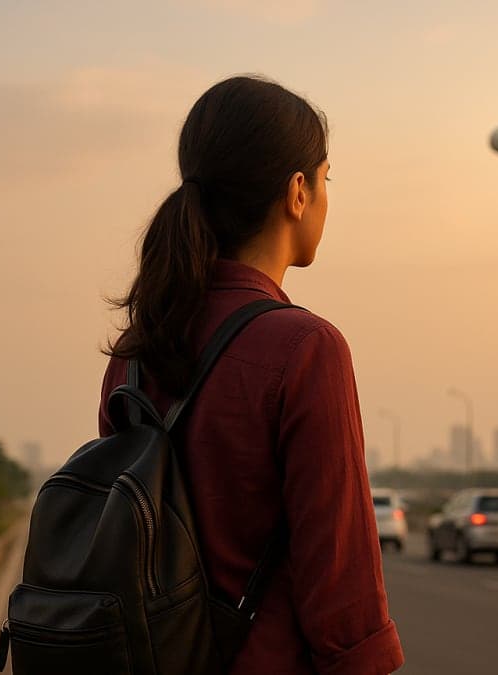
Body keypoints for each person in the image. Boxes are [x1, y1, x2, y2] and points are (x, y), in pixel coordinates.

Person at [98, 76, 404, 674]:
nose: (323, 196)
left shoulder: (134, 354)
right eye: (325, 179)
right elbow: (344, 598)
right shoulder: (306, 348)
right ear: (297, 192)